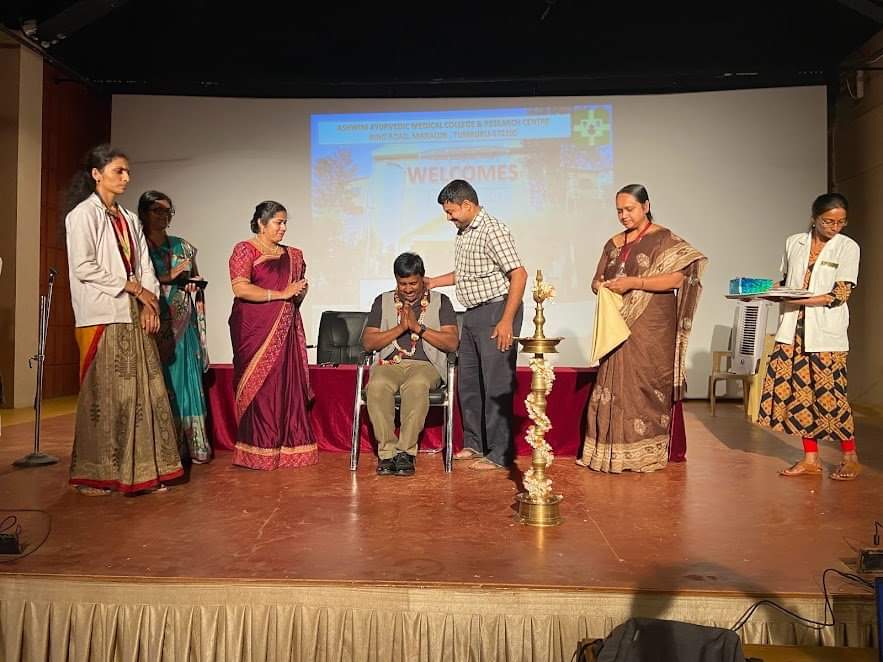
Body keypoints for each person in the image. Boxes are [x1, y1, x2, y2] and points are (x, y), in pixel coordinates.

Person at [64, 144, 183, 494]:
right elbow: (84, 266)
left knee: (143, 394)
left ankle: (143, 471)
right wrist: (133, 288)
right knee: (105, 397)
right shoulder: (82, 215)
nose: (126, 177)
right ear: (96, 174)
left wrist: (150, 304)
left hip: (133, 313)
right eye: (119, 171)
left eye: (128, 171)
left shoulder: (129, 218)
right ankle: (98, 475)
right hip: (102, 314)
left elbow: (144, 265)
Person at [578, 184, 707, 473]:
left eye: (629, 209)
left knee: (645, 385)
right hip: (617, 324)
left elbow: (679, 279)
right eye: (619, 211)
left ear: (646, 206)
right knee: (614, 386)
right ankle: (610, 452)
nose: (623, 215)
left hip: (652, 326)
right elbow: (596, 279)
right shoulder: (613, 243)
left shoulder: (665, 239)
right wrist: (601, 286)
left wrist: (635, 283)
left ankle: (644, 453)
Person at [757, 193, 861, 480]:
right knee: (799, 396)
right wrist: (761, 291)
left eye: (841, 222)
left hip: (825, 334)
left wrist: (795, 299)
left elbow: (839, 295)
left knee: (832, 396)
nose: (834, 227)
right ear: (814, 218)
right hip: (793, 332)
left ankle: (850, 457)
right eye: (828, 221)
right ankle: (810, 458)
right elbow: (787, 282)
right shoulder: (794, 242)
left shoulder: (847, 247)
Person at [426, 179, 527, 470]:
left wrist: (506, 320)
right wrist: (433, 282)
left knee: (496, 383)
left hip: (497, 311)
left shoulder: (493, 230)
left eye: (451, 211)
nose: (449, 218)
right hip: (472, 314)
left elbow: (519, 274)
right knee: (469, 382)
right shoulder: (464, 232)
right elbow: (467, 273)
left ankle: (499, 453)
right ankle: (475, 442)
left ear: (468, 205)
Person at [228, 201, 318, 470]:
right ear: (261, 223)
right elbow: (241, 289)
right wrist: (281, 294)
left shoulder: (294, 255)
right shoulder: (245, 250)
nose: (283, 228)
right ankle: (258, 450)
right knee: (261, 390)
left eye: (285, 222)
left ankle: (289, 449)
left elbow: (295, 296)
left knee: (286, 386)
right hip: (253, 330)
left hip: (284, 330)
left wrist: (299, 293)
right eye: (278, 222)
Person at [361, 253, 459, 475]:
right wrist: (400, 328)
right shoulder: (383, 301)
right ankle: (387, 454)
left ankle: (406, 453)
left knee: (416, 387)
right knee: (376, 387)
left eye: (413, 283)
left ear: (422, 278)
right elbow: (368, 342)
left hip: (426, 366)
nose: (407, 289)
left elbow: (452, 343)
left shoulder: (440, 301)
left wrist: (418, 328)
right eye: (402, 284)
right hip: (389, 364)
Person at [138, 191, 211, 464]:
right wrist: (169, 275)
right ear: (144, 213)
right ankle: (163, 448)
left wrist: (193, 284)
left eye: (168, 211)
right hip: (153, 321)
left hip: (183, 323)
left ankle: (193, 444)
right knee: (160, 379)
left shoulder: (183, 247)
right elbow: (135, 281)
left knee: (186, 378)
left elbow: (193, 277)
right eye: (157, 210)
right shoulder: (137, 246)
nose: (164, 216)